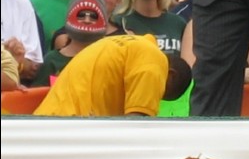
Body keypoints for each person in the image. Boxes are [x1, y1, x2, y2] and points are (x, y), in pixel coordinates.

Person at [33, 34, 192, 117]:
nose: (154, 98)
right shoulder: (154, 62)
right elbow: (136, 125)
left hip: (49, 120)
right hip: (71, 130)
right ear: (170, 75)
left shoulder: (130, 44)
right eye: (160, 94)